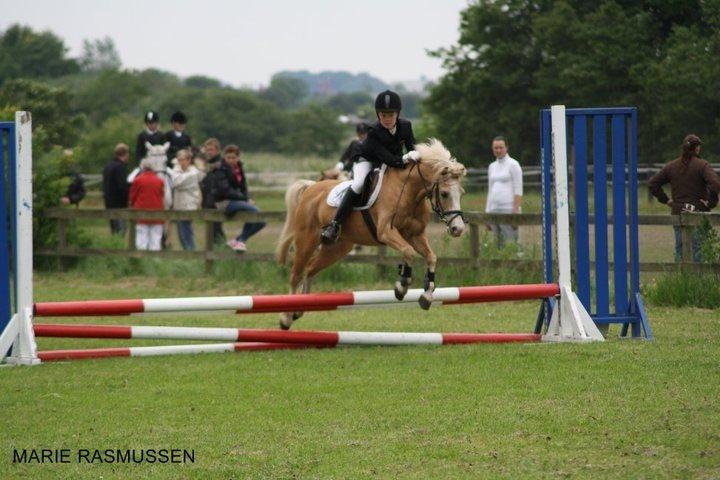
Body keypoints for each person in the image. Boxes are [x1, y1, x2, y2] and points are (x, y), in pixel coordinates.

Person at [320, 90, 418, 244]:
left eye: (390, 115)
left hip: (391, 160)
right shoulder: (373, 131)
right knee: (358, 184)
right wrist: (406, 157)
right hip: (366, 159)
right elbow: (389, 159)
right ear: (378, 115)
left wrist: (415, 154)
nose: (386, 119)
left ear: (397, 114)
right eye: (383, 115)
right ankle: (335, 224)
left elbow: (412, 146)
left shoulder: (406, 126)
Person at [648, 134, 720, 261]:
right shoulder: (702, 165)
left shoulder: (671, 166)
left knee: (680, 251)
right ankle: (697, 281)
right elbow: (715, 184)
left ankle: (681, 279)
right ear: (697, 148)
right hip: (698, 213)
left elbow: (653, 184)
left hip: (678, 214)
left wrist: (667, 200)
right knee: (699, 252)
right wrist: (711, 203)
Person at [212, 144, 266, 252]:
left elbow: (243, 187)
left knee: (262, 221)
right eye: (228, 157)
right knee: (255, 211)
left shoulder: (239, 168)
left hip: (237, 201)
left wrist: (247, 198)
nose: (231, 160)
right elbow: (225, 190)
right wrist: (245, 199)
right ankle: (241, 241)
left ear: (238, 157)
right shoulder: (220, 169)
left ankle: (238, 240)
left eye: (234, 157)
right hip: (224, 202)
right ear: (224, 157)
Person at [485, 136, 523, 248]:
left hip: (508, 210)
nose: (498, 150)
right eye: (495, 148)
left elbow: (518, 189)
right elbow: (490, 190)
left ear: (506, 148)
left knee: (511, 243)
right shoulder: (492, 166)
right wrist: (487, 213)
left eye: (501, 147)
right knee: (497, 243)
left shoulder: (513, 164)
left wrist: (515, 213)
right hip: (494, 210)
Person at [130, 158, 166, 251]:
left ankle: (141, 263)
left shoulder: (137, 180)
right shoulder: (159, 180)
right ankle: (155, 263)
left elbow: (132, 197)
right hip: (157, 214)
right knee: (155, 241)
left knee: (141, 241)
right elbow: (162, 195)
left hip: (141, 214)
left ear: (142, 167)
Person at [171, 149, 202, 251]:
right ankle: (189, 256)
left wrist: (176, 168)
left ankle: (192, 255)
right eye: (178, 160)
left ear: (189, 160)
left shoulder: (193, 173)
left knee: (186, 235)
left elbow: (176, 182)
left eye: (182, 160)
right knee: (181, 236)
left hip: (188, 207)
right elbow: (175, 181)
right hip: (179, 207)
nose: (179, 162)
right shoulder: (180, 171)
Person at [199, 138, 226, 243]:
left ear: (217, 150)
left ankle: (222, 252)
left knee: (217, 231)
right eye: (207, 150)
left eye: (211, 149)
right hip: (208, 203)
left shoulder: (220, 165)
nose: (208, 152)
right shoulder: (207, 165)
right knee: (212, 232)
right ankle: (217, 253)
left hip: (216, 203)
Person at [102, 143, 131, 235]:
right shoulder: (120, 167)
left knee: (114, 230)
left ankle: (114, 247)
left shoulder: (107, 166)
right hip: (119, 204)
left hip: (109, 203)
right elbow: (122, 186)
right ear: (125, 154)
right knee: (121, 230)